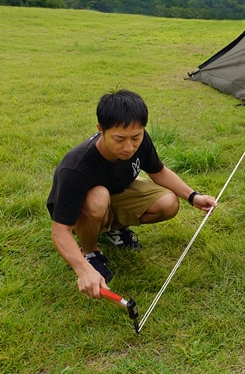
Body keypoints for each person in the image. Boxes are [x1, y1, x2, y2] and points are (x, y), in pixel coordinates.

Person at [47, 89, 216, 299]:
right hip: (81, 211)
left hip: (115, 195)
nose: (129, 147)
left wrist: (193, 196)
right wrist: (82, 269)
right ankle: (90, 251)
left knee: (168, 202)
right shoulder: (77, 167)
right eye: (119, 139)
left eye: (136, 137)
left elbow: (159, 171)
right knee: (98, 197)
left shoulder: (141, 142)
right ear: (101, 129)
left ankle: (114, 229)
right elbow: (60, 231)